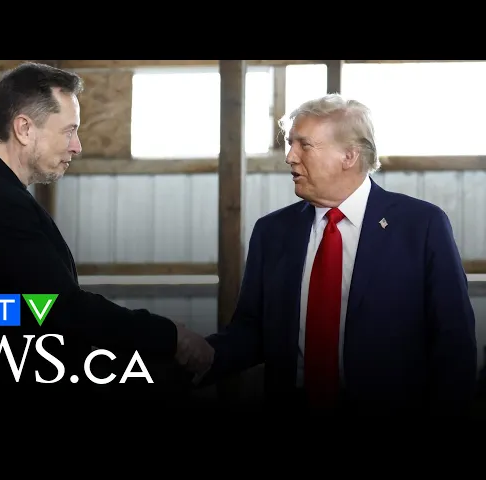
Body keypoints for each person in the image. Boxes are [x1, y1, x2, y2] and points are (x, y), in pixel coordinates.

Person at [0, 62, 214, 405]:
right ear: (24, 128)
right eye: (69, 131)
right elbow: (60, 308)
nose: (77, 146)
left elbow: (19, 308)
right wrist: (169, 336)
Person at [200, 93, 477, 418]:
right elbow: (252, 331)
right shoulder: (272, 232)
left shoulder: (421, 226)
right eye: (290, 143)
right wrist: (198, 353)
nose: (289, 157)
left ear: (349, 155)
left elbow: (454, 342)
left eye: (304, 145)